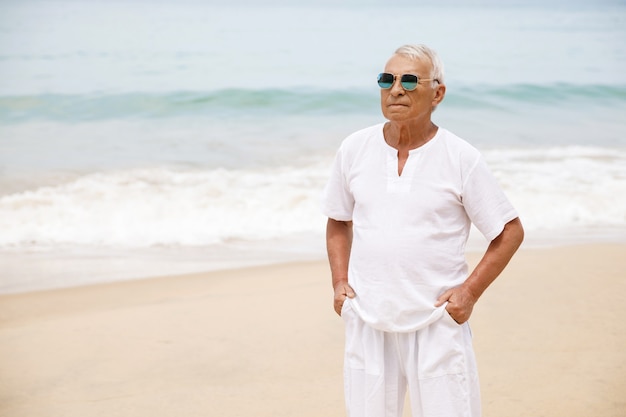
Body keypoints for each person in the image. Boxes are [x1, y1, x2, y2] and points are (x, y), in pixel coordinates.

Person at [321, 44, 524, 417]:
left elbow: (509, 231)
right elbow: (338, 219)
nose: (396, 89)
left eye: (410, 80)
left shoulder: (460, 157)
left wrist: (468, 294)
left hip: (435, 320)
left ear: (438, 93)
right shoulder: (354, 149)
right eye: (387, 79)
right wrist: (339, 282)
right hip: (367, 317)